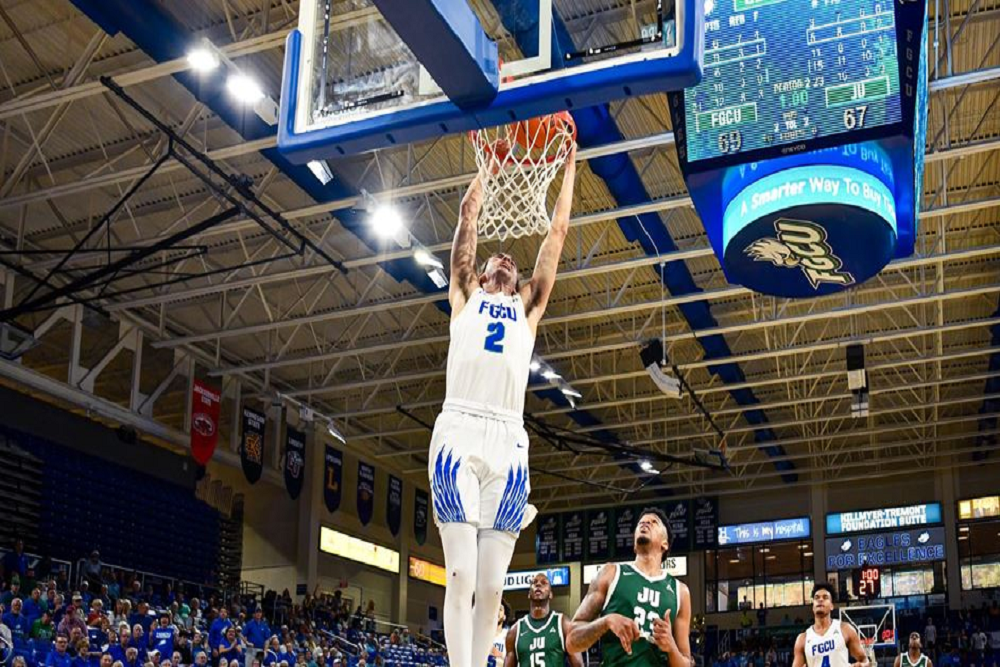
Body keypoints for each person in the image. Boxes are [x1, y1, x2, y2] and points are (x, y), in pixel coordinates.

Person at [431, 139, 578, 667]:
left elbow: (557, 233)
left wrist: (569, 166)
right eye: (497, 256)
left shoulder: (529, 306)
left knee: (493, 586)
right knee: (462, 573)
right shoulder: (465, 295)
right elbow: (469, 219)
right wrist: (486, 174)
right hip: (459, 430)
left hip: (509, 439)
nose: (504, 258)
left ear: (517, 281)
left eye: (510, 262)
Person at [566, 507, 693, 667]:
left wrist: (671, 647)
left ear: (664, 544)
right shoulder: (611, 574)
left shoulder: (680, 592)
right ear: (634, 544)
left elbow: (686, 662)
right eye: (641, 522)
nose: (645, 523)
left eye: (654, 522)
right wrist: (605, 622)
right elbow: (571, 641)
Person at [503, 573, 582, 667]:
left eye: (544, 583)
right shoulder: (515, 631)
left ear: (551, 594)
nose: (538, 584)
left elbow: (579, 665)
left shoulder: (563, 624)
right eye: (534, 582)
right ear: (529, 594)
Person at [791, 583, 869, 667]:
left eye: (825, 597)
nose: (820, 600)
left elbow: (864, 659)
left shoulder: (845, 629)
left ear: (832, 606)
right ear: (813, 606)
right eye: (816, 597)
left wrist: (862, 665)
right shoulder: (803, 639)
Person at [488, 602, 509, 667]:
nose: (497, 611)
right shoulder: (482, 635)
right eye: (495, 608)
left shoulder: (508, 635)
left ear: (504, 616)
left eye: (500, 609)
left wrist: (501, 655)